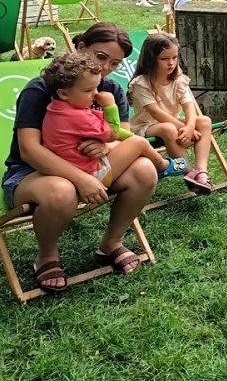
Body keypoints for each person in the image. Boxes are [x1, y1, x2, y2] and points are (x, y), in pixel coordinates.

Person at [3, 24, 157, 291]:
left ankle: (111, 243)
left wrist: (105, 148)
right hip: (31, 174)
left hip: (92, 166)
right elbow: (29, 149)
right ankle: (47, 256)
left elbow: (123, 131)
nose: (107, 67)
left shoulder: (108, 89)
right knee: (62, 190)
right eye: (100, 57)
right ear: (81, 47)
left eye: (115, 63)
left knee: (144, 170)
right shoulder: (39, 90)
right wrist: (80, 179)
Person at [40, 53, 186, 183]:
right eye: (88, 90)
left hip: (68, 171)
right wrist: (110, 106)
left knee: (132, 139)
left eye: (96, 87)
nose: (96, 94)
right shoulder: (77, 117)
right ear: (64, 93)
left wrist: (127, 136)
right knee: (139, 142)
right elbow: (112, 133)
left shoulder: (56, 109)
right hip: (92, 173)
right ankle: (162, 166)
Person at [127, 33, 215, 195]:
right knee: (168, 128)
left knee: (204, 121)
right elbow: (156, 112)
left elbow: (189, 106)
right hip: (146, 126)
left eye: (174, 57)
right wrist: (185, 128)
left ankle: (201, 171)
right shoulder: (141, 83)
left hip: (174, 122)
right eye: (165, 59)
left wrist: (189, 126)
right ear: (150, 59)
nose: (171, 63)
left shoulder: (178, 80)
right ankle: (189, 173)